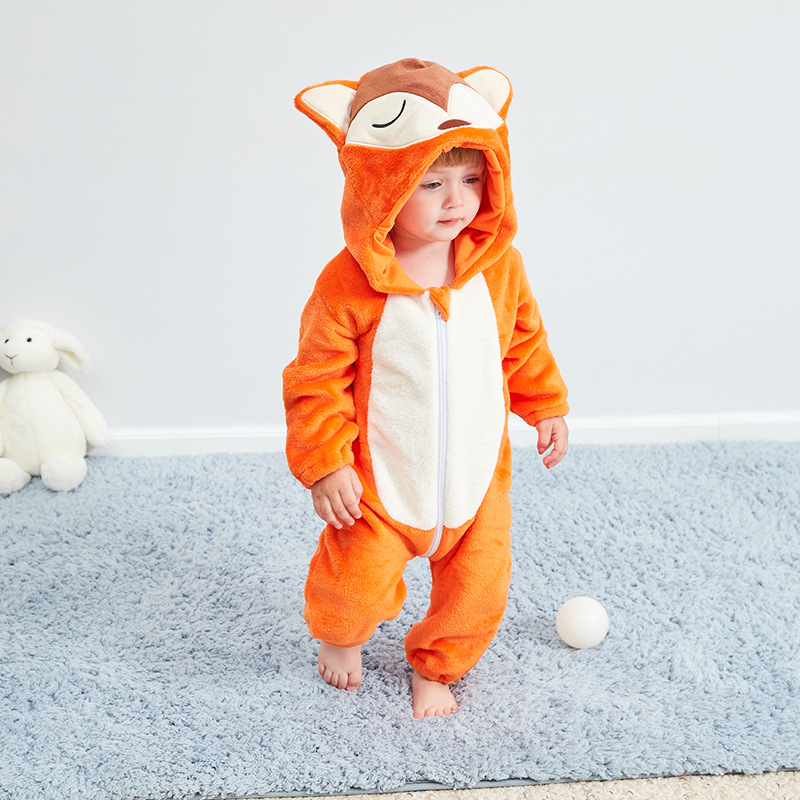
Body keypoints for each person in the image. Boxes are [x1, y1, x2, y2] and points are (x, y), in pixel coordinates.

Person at [283, 58, 569, 719]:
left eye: (471, 179)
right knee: (352, 589)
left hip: (477, 480)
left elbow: (523, 340)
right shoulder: (348, 284)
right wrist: (325, 463)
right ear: (381, 186)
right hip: (380, 482)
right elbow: (316, 378)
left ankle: (438, 667)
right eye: (431, 183)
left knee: (479, 592)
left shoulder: (499, 268)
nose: (455, 201)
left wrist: (546, 404)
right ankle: (339, 636)